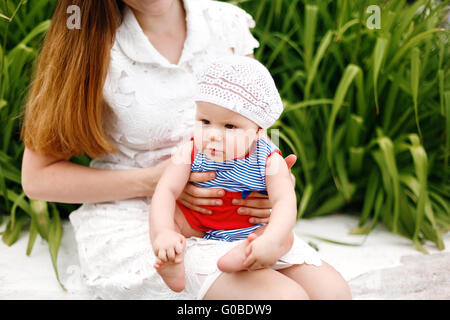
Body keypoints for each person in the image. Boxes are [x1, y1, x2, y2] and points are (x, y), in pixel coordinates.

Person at [20, 0, 352, 299]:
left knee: (333, 293)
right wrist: (154, 180)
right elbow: (37, 179)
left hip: (232, 215)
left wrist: (274, 184)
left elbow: (252, 125)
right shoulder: (87, 36)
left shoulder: (225, 23)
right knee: (283, 298)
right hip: (136, 217)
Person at [150, 56, 299, 292]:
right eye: (205, 121)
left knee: (283, 235)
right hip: (198, 222)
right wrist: (163, 232)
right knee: (173, 218)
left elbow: (284, 200)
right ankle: (171, 261)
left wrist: (272, 238)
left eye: (230, 127)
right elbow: (166, 189)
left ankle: (250, 250)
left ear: (258, 131)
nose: (213, 135)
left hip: (247, 226)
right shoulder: (190, 150)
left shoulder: (269, 159)